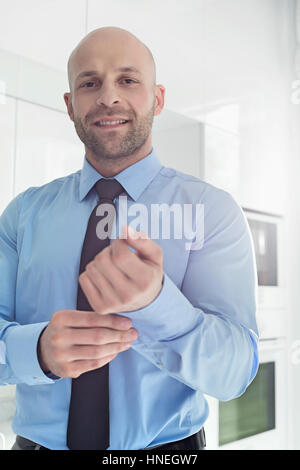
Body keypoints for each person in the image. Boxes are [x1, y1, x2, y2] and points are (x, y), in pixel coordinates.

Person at [0, 26, 259, 450]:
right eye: (89, 83)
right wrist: (37, 351)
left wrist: (157, 304)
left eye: (127, 80)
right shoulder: (22, 215)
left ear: (157, 98)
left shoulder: (212, 212)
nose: (108, 97)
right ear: (70, 105)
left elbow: (234, 375)